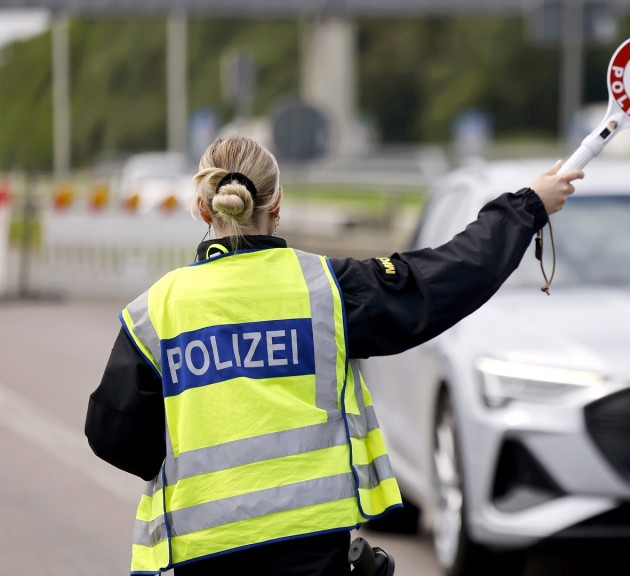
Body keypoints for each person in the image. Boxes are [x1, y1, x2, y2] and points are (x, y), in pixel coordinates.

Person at [85, 135, 583, 575]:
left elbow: (112, 432)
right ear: (277, 204)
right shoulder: (328, 289)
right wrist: (527, 207)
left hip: (206, 550)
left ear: (201, 207)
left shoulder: (155, 309)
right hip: (312, 545)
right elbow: (445, 277)